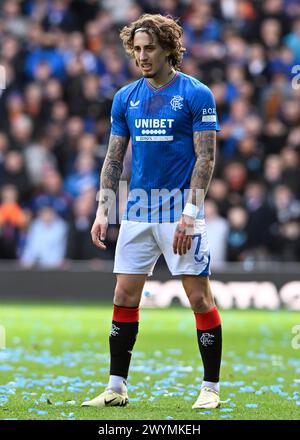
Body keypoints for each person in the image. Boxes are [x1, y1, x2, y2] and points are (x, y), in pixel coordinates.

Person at [81, 14, 222, 410]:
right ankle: (116, 388)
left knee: (199, 298)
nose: (142, 56)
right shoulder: (126, 97)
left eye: (149, 49)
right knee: (124, 296)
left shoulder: (196, 94)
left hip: (180, 211)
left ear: (168, 49)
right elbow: (113, 159)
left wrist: (191, 213)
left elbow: (205, 158)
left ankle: (210, 388)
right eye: (136, 49)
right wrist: (103, 210)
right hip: (139, 209)